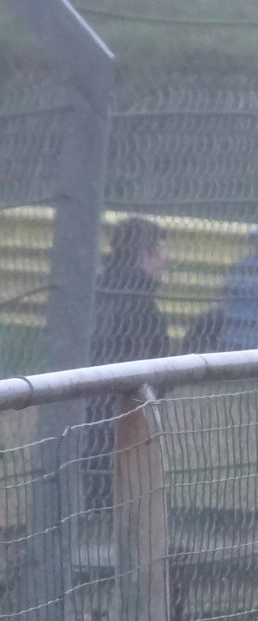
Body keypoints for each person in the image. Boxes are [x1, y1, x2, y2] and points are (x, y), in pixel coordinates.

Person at [84, 216, 173, 510]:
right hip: (116, 427)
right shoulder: (140, 308)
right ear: (141, 254)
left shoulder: (97, 295)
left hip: (89, 422)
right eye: (158, 249)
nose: (165, 257)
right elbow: (156, 379)